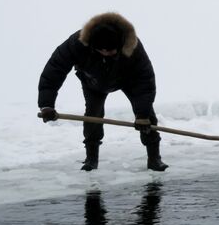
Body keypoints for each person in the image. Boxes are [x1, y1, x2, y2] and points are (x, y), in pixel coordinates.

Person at [37, 12, 167, 171]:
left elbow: (145, 80)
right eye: (101, 51)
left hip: (128, 80)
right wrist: (46, 105)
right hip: (93, 82)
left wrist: (142, 114)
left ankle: (154, 158)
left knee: (147, 118)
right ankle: (91, 159)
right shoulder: (77, 43)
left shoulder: (132, 47)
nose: (106, 54)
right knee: (93, 115)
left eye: (111, 52)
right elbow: (54, 71)